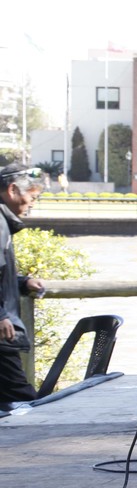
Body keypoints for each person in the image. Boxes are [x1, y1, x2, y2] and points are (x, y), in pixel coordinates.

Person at [1, 164, 45, 406]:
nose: (32, 204)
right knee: (24, 401)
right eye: (32, 197)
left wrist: (22, 282)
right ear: (12, 190)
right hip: (2, 332)